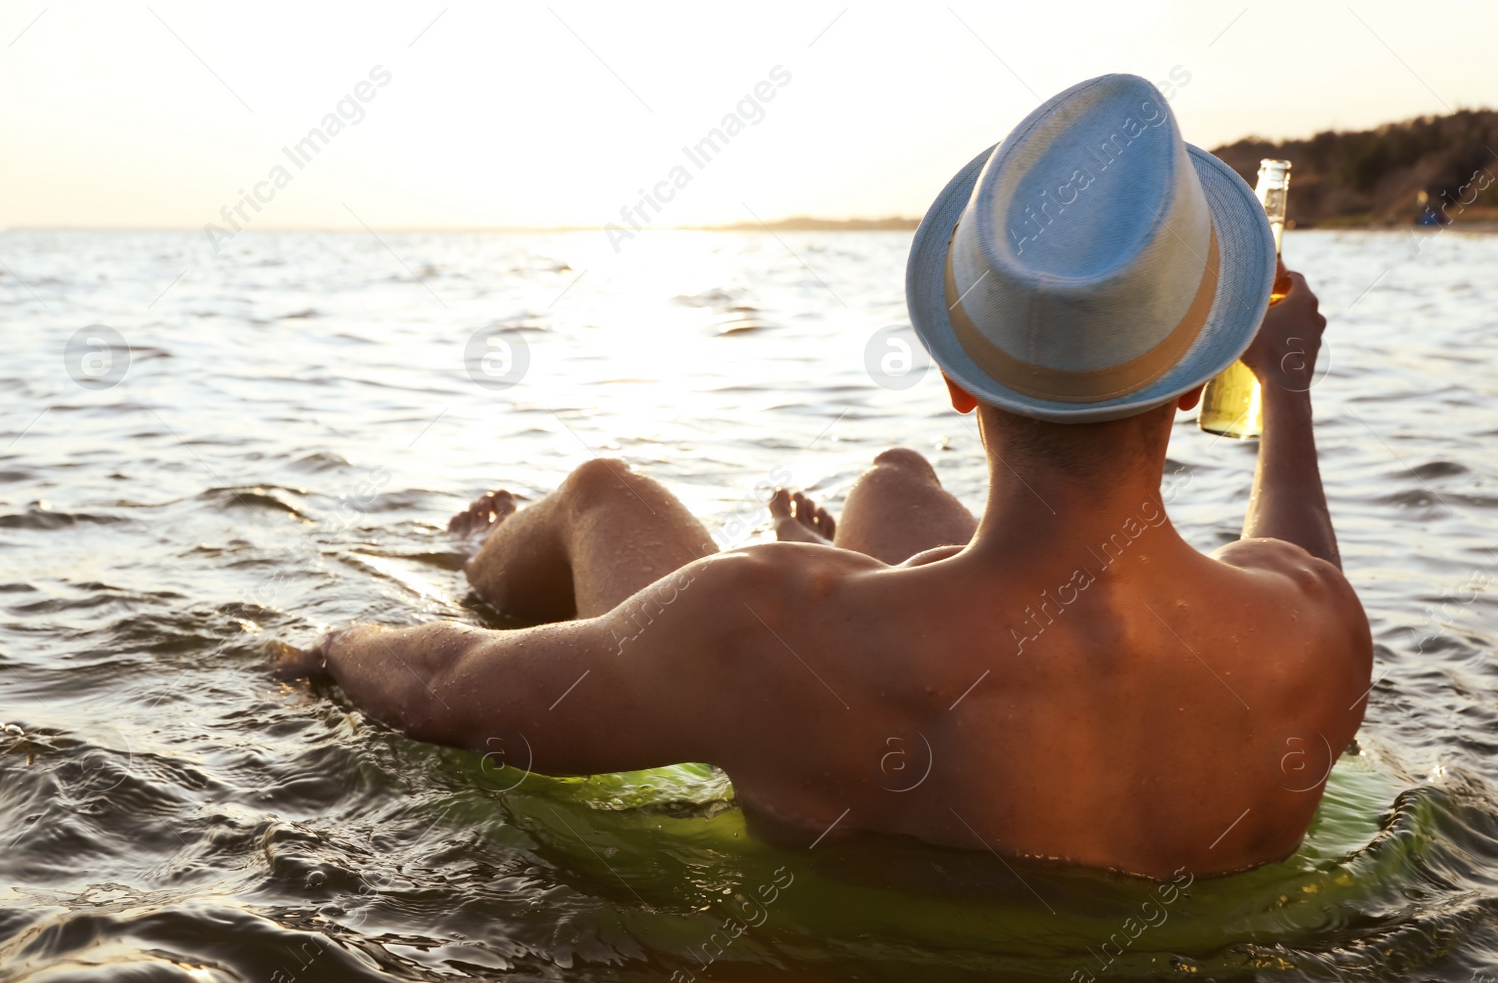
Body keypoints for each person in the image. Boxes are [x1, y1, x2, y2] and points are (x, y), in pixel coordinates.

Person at [289, 74, 1371, 879]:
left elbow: (445, 696)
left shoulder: (761, 624)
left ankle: (467, 559)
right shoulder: (1312, 637)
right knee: (897, 484)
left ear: (957, 378)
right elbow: (1295, 561)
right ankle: (878, 561)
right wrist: (1286, 390)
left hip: (824, 698)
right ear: (1193, 384)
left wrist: (332, 649)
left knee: (605, 493)